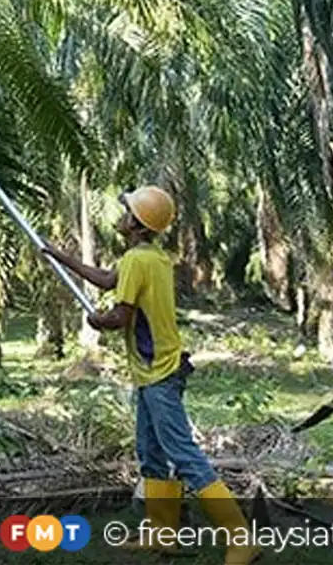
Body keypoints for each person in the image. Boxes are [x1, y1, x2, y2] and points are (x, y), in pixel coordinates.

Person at [43, 185, 259, 564]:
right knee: (151, 453)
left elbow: (121, 317)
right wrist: (61, 258)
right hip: (153, 370)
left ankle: (241, 538)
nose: (122, 213)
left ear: (139, 226)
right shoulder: (151, 258)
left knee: (183, 453)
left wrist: (98, 321)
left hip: (158, 371)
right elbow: (109, 280)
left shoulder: (137, 261)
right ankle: (162, 534)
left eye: (129, 210)